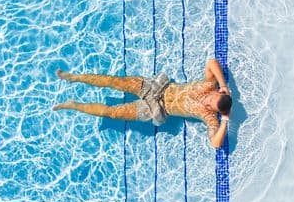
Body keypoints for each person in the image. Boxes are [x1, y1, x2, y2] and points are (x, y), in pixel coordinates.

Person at [52, 58, 232, 148]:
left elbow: (215, 144)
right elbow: (212, 62)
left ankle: (73, 105)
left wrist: (224, 119)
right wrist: (223, 84)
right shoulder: (208, 85)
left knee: (112, 113)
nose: (207, 103)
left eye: (211, 106)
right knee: (113, 81)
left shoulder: (209, 115)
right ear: (216, 92)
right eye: (211, 99)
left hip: (154, 109)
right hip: (155, 88)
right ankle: (73, 78)